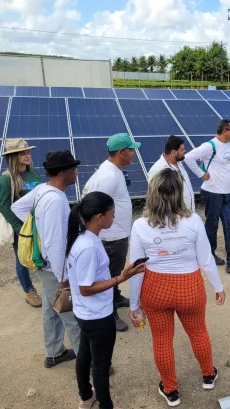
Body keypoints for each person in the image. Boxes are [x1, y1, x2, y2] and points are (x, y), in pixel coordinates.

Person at [128, 168, 225, 407]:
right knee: (198, 332)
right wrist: (217, 286)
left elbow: (137, 270)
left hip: (156, 289)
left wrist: (133, 304)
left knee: (162, 340)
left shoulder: (140, 226)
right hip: (189, 286)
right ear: (179, 193)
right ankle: (208, 375)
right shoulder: (193, 221)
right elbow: (205, 259)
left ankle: (171, 390)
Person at [66, 192, 146, 409]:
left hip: (85, 314)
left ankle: (85, 396)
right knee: (100, 367)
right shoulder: (89, 247)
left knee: (84, 355)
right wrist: (121, 278)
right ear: (99, 216)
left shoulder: (82, 239)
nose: (114, 217)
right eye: (112, 213)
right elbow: (85, 288)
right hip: (97, 316)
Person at [12, 150, 81, 368]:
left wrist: (37, 227)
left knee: (51, 309)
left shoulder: (43, 190)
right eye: (73, 168)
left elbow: (18, 207)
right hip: (55, 269)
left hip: (45, 265)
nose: (76, 172)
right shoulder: (54, 200)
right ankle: (89, 364)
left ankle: (54, 352)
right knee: (72, 316)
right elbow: (54, 244)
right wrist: (65, 278)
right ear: (63, 172)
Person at [82, 133, 141, 332]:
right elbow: (96, 205)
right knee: (111, 274)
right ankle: (110, 311)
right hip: (111, 237)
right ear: (121, 152)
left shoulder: (112, 170)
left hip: (117, 234)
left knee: (115, 271)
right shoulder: (108, 176)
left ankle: (115, 296)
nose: (133, 154)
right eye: (130, 150)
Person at [183, 118, 230, 276]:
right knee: (212, 226)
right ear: (225, 131)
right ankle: (208, 254)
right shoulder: (210, 146)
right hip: (213, 192)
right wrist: (201, 174)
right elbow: (188, 157)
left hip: (226, 193)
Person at [0, 138, 42, 308]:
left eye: (28, 152)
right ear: (13, 157)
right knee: (22, 259)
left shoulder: (33, 173)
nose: (27, 155)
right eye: (22, 153)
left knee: (41, 253)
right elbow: (4, 206)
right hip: (22, 228)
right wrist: (19, 228)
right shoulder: (6, 179)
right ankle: (28, 291)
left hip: (39, 223)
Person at [147, 135, 195, 212]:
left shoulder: (178, 163)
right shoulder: (158, 169)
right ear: (174, 152)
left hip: (187, 213)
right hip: (173, 216)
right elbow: (155, 197)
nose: (185, 151)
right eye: (182, 150)